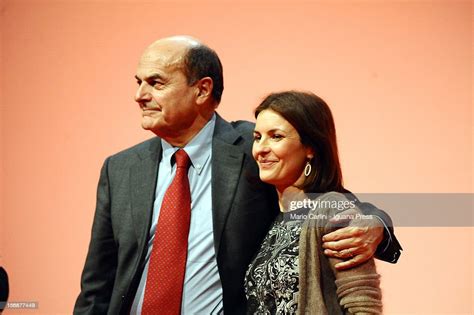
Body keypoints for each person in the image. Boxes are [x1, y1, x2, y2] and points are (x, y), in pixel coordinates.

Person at [74, 36, 401, 314]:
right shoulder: (120, 169)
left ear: (202, 90)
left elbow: (334, 199)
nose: (140, 95)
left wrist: (376, 225)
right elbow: (97, 282)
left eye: (156, 83)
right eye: (139, 82)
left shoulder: (252, 149)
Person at [245, 91, 385, 314]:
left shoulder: (331, 210)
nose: (261, 149)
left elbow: (363, 305)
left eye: (276, 137)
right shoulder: (272, 215)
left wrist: (378, 222)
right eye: (257, 137)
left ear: (310, 148)